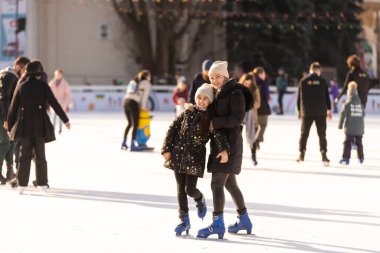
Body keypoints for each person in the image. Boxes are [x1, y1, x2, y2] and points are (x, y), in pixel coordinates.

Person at [162, 83, 229, 236]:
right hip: (178, 155)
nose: (201, 101)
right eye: (199, 97)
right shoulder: (188, 112)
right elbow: (172, 129)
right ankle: (184, 221)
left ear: (210, 101)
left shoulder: (210, 118)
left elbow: (218, 135)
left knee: (189, 189)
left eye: (205, 98)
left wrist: (224, 150)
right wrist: (166, 148)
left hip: (195, 158)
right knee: (180, 189)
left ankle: (199, 198)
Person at [197, 61, 252, 239]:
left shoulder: (235, 92)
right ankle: (244, 219)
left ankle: (217, 223)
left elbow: (237, 117)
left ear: (225, 76)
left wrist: (215, 123)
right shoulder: (220, 92)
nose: (214, 80)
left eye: (217, 77)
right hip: (224, 144)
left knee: (217, 184)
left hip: (229, 145)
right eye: (212, 77)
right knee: (230, 184)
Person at [7, 60, 71, 194]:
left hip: (25, 125)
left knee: (24, 155)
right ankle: (42, 184)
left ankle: (22, 185)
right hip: (40, 125)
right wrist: (65, 120)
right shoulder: (43, 85)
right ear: (37, 72)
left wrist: (10, 127)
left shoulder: (21, 85)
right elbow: (54, 103)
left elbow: (13, 108)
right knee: (40, 155)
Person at [0, 56, 30, 183]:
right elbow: (4, 98)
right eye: (24, 69)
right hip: (3, 116)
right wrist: (6, 119)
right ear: (18, 66)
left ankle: (10, 170)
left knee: (11, 142)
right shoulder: (9, 75)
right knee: (6, 142)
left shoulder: (11, 76)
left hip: (8, 116)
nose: (25, 73)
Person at [296, 62, 332, 166]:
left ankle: (301, 154)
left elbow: (299, 98)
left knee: (304, 134)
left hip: (307, 112)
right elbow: (327, 97)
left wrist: (299, 110)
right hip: (321, 112)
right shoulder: (322, 81)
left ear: (310, 70)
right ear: (318, 70)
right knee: (322, 135)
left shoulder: (303, 81)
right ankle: (324, 155)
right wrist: (329, 110)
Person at [121, 70, 152, 151]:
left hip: (126, 102)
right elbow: (144, 97)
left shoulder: (134, 81)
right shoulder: (146, 83)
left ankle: (123, 142)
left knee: (129, 123)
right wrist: (144, 107)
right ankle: (132, 144)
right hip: (133, 103)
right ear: (147, 76)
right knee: (135, 124)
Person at [338, 81, 365, 165]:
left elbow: (343, 114)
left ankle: (346, 158)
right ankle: (361, 158)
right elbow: (363, 114)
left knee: (347, 142)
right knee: (359, 142)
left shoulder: (348, 103)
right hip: (360, 128)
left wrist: (340, 125)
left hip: (350, 128)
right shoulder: (360, 104)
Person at [239, 73, 261, 165]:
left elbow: (258, 104)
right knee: (237, 138)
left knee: (252, 137)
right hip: (239, 117)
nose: (247, 84)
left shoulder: (255, 90)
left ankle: (253, 155)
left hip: (251, 117)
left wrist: (249, 104)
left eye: (249, 83)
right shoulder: (238, 88)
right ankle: (237, 156)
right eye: (245, 83)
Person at [48, 68, 73, 134]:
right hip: (53, 102)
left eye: (59, 74)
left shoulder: (65, 84)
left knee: (61, 117)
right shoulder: (52, 83)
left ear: (61, 75)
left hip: (62, 103)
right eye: (56, 74)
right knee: (53, 117)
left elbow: (68, 94)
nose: (57, 75)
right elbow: (47, 91)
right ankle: (52, 129)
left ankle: (60, 129)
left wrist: (68, 103)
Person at [252, 66, 271, 151]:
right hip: (262, 106)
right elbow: (267, 95)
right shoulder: (263, 83)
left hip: (252, 107)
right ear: (260, 74)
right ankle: (257, 140)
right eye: (263, 73)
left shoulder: (251, 81)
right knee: (263, 124)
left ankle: (254, 141)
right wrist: (268, 98)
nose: (264, 75)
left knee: (255, 125)